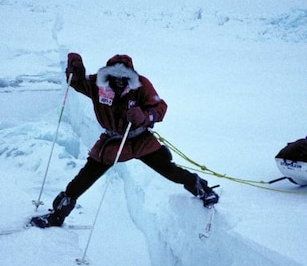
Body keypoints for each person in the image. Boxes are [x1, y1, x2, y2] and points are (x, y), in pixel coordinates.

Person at [30, 53, 219, 228]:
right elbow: (78, 83)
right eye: (115, 75)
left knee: (170, 171)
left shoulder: (141, 85)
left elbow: (160, 108)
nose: (119, 80)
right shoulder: (98, 84)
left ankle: (201, 188)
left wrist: (146, 116)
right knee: (84, 178)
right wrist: (76, 71)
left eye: (124, 75)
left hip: (140, 140)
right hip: (112, 144)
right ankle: (58, 215)